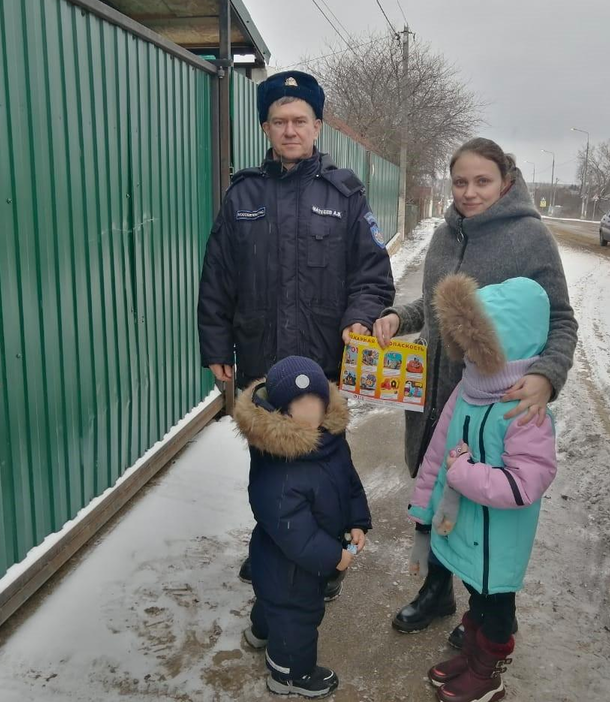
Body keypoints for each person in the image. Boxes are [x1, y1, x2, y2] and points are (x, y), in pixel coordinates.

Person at [198, 70, 394, 598]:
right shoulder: (243, 195)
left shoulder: (344, 193)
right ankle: (271, 543)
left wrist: (359, 314)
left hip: (322, 359)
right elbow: (218, 274)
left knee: (324, 460)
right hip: (262, 353)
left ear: (317, 126)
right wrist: (216, 344)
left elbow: (372, 274)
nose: (290, 130)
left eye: (300, 120)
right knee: (268, 458)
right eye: (279, 121)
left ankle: (324, 553)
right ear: (265, 127)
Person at [374, 139, 577, 646]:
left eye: (481, 181)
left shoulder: (530, 238)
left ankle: (487, 616)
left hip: (491, 405)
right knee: (435, 494)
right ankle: (437, 591)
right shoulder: (446, 234)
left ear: (505, 181)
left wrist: (548, 374)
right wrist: (402, 316)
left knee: (480, 512)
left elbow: (562, 319)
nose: (469, 192)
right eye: (460, 182)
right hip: (436, 396)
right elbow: (435, 304)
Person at [411, 273, 557, 702]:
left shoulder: (524, 411)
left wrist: (465, 475)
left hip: (498, 543)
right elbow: (438, 453)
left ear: (500, 347)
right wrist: (423, 508)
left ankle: (488, 673)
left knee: (495, 608)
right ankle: (473, 657)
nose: (466, 359)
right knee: (475, 599)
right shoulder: (469, 390)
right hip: (466, 531)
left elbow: (525, 484)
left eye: (475, 350)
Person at [233, 356, 372, 698]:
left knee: (274, 602)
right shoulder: (277, 468)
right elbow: (293, 531)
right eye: (300, 405)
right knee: (297, 613)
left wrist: (357, 521)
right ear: (281, 412)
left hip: (308, 555)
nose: (311, 412)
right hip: (288, 563)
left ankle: (260, 631)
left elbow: (349, 483)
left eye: (317, 401)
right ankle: (289, 674)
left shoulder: (331, 440)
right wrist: (332, 557)